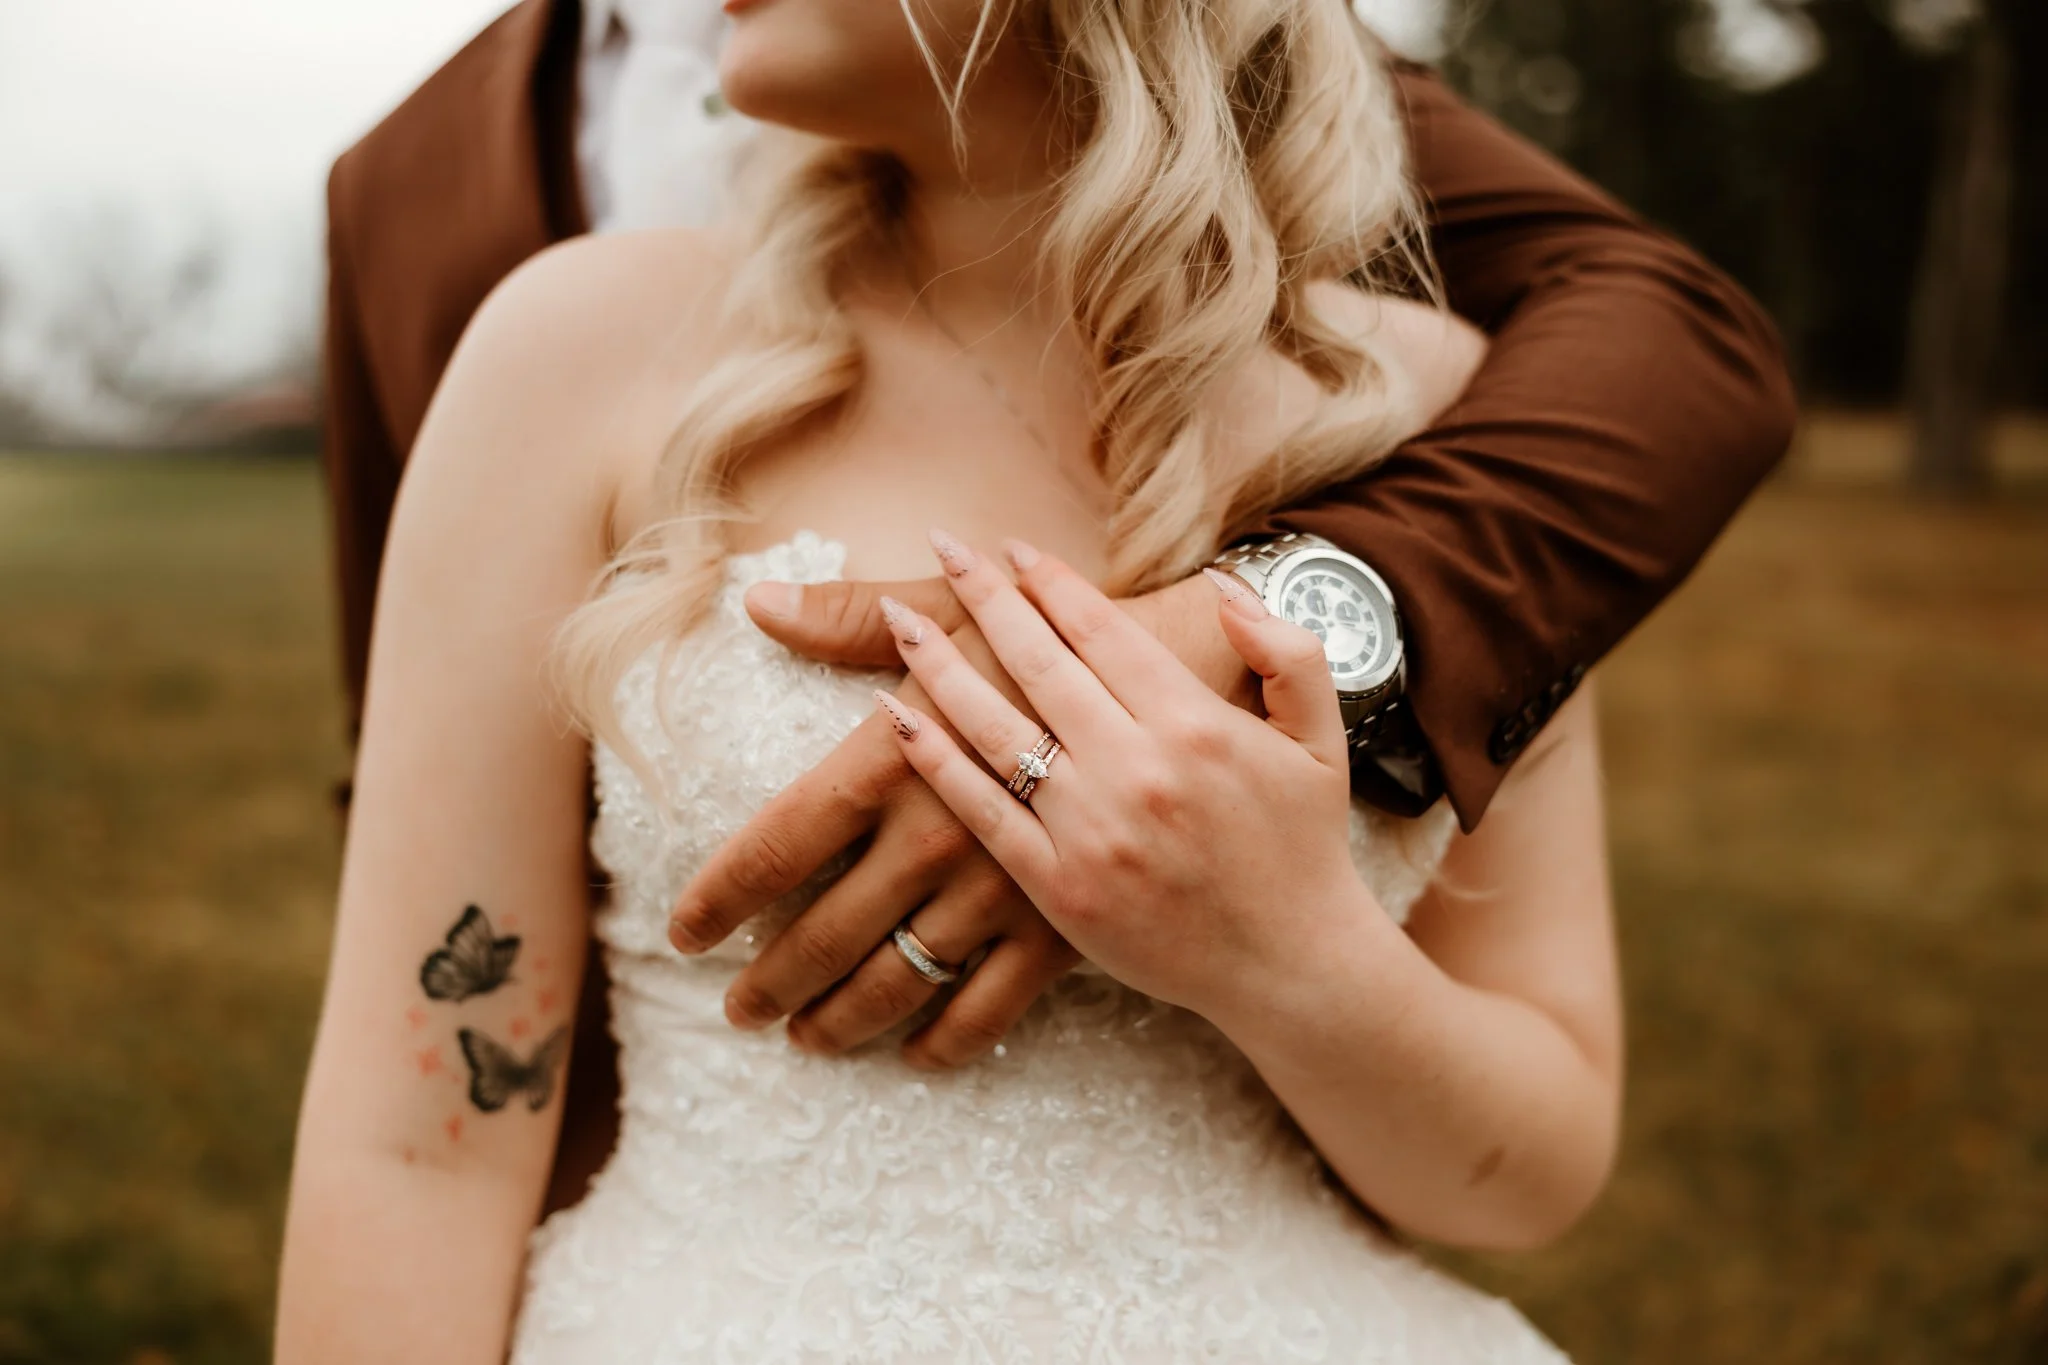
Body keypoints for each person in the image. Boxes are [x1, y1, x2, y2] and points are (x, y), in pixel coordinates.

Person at [278, 0, 1644, 1350]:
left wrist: (1291, 958)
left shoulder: (1458, 432)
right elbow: (418, 1149)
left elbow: (1537, 1171)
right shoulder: (582, 352)